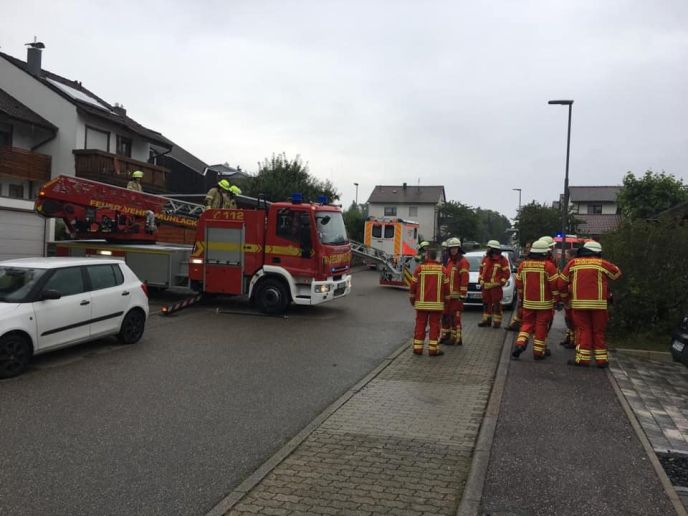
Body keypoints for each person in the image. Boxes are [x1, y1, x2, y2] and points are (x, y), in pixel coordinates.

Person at [559, 241, 622, 368]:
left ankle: (583, 359)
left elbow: (561, 283)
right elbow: (617, 273)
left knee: (583, 330)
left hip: (579, 304)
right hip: (599, 305)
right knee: (598, 331)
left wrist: (566, 298)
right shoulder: (602, 263)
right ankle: (602, 360)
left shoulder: (573, 263)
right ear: (598, 253)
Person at [511, 240, 560, 360]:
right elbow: (555, 286)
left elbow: (519, 284)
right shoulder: (549, 266)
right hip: (544, 304)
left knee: (526, 324)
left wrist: (522, 298)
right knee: (541, 326)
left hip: (528, 303)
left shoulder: (523, 265)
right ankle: (538, 352)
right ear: (544, 253)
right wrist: (557, 300)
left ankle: (520, 344)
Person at [409, 246, 449, 356]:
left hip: (421, 304)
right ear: (436, 257)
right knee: (435, 326)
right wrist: (446, 301)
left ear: (427, 256)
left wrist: (412, 300)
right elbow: (446, 288)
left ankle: (418, 348)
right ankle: (433, 349)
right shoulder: (442, 270)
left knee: (420, 325)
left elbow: (413, 286)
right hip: (436, 305)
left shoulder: (419, 269)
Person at [440, 237, 469, 346]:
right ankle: (445, 335)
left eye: (455, 248)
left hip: (456, 297)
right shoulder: (449, 261)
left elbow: (464, 280)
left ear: (459, 248)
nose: (453, 250)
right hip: (448, 297)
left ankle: (456, 338)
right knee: (445, 316)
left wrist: (462, 295)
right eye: (451, 248)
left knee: (454, 317)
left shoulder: (463, 262)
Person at [478, 240, 510, 328]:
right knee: (486, 303)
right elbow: (481, 270)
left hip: (496, 287)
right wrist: (480, 279)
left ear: (494, 249)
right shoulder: (485, 258)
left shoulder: (502, 260)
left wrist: (500, 282)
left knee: (496, 304)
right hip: (485, 286)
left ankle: (497, 322)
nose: (487, 249)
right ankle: (486, 320)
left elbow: (506, 273)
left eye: (489, 248)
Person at [506, 241, 532, 332]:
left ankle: (525, 326)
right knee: (520, 307)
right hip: (525, 289)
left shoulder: (540, 260)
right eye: (527, 247)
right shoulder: (525, 259)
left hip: (533, 291)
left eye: (528, 247)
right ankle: (517, 324)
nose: (527, 249)